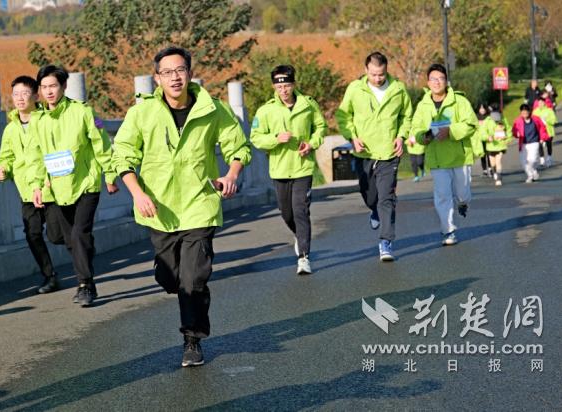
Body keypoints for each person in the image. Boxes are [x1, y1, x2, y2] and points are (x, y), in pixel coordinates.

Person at [111, 46, 251, 367]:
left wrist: (231, 174)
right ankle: (176, 281)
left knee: (193, 279)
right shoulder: (142, 113)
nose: (174, 77)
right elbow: (122, 155)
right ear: (157, 78)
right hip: (159, 209)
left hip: (200, 204)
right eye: (167, 72)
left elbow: (239, 146)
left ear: (190, 73)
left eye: (180, 70)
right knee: (170, 278)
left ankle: (192, 340)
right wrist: (137, 193)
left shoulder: (212, 109)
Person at [26, 65, 119, 307]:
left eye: (53, 86)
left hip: (86, 183)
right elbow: (35, 156)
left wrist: (110, 174)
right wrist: (36, 186)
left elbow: (101, 144)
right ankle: (85, 253)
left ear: (64, 86)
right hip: (57, 189)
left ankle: (86, 285)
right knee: (62, 237)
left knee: (78, 234)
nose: (49, 91)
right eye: (44, 87)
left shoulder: (83, 112)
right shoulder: (37, 119)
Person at [335, 51, 412, 261]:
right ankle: (374, 210)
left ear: (387, 70)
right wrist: (352, 137)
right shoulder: (355, 89)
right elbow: (343, 115)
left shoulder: (398, 89)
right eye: (373, 74)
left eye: (381, 74)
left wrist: (401, 136)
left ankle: (386, 242)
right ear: (366, 70)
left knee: (386, 198)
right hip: (364, 152)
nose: (377, 79)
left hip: (389, 152)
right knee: (369, 195)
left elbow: (406, 116)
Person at [250, 65, 326, 275]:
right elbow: (256, 137)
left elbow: (320, 127)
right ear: (274, 86)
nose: (283, 90)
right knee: (287, 213)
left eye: (286, 85)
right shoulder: (265, 110)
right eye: (279, 86)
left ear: (294, 84)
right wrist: (276, 138)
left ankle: (304, 257)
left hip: (303, 167)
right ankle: (299, 235)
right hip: (280, 169)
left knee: (301, 211)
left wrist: (311, 143)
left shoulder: (308, 104)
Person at [0, 75, 64, 294]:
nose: (20, 98)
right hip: (26, 191)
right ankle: (50, 276)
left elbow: (56, 151)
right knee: (32, 234)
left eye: (25, 93)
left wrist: (47, 181)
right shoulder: (10, 129)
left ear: (36, 96)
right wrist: (3, 168)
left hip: (50, 188)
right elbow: (6, 156)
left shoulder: (46, 121)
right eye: (15, 94)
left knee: (57, 235)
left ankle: (83, 252)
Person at [411, 64, 478, 246]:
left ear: (446, 81)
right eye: (433, 79)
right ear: (428, 82)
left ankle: (463, 203)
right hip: (437, 159)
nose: (437, 82)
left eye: (440, 78)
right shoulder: (423, 106)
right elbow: (416, 129)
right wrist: (424, 137)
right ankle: (448, 231)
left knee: (463, 193)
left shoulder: (460, 101)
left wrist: (450, 131)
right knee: (442, 196)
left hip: (459, 157)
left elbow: (471, 125)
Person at [511, 104, 549, 183]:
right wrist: (516, 134)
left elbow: (542, 128)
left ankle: (532, 171)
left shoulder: (536, 119)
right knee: (524, 162)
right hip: (523, 144)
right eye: (522, 112)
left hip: (534, 142)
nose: (524, 113)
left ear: (529, 111)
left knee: (532, 160)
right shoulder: (518, 120)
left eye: (526, 111)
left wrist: (542, 138)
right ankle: (530, 175)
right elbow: (514, 130)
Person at [482, 109, 512, 186]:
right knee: (493, 163)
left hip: (501, 145)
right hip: (491, 146)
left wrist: (507, 138)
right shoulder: (487, 121)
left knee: (498, 161)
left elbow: (508, 130)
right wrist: (487, 137)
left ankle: (499, 177)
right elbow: (482, 132)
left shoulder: (504, 119)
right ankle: (494, 172)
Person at [532, 96, 557, 167]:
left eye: (541, 103)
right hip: (539, 131)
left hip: (548, 131)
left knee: (549, 144)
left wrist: (546, 120)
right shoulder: (535, 111)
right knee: (539, 144)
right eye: (539, 103)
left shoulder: (549, 111)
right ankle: (542, 159)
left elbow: (554, 120)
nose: (540, 104)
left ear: (544, 103)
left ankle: (549, 157)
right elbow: (533, 121)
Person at [475, 103, 492, 177]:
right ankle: (484, 170)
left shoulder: (489, 117)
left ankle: (490, 169)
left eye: (483, 108)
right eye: (481, 108)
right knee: (482, 154)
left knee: (489, 154)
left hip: (488, 138)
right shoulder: (476, 117)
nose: (482, 110)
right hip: (480, 138)